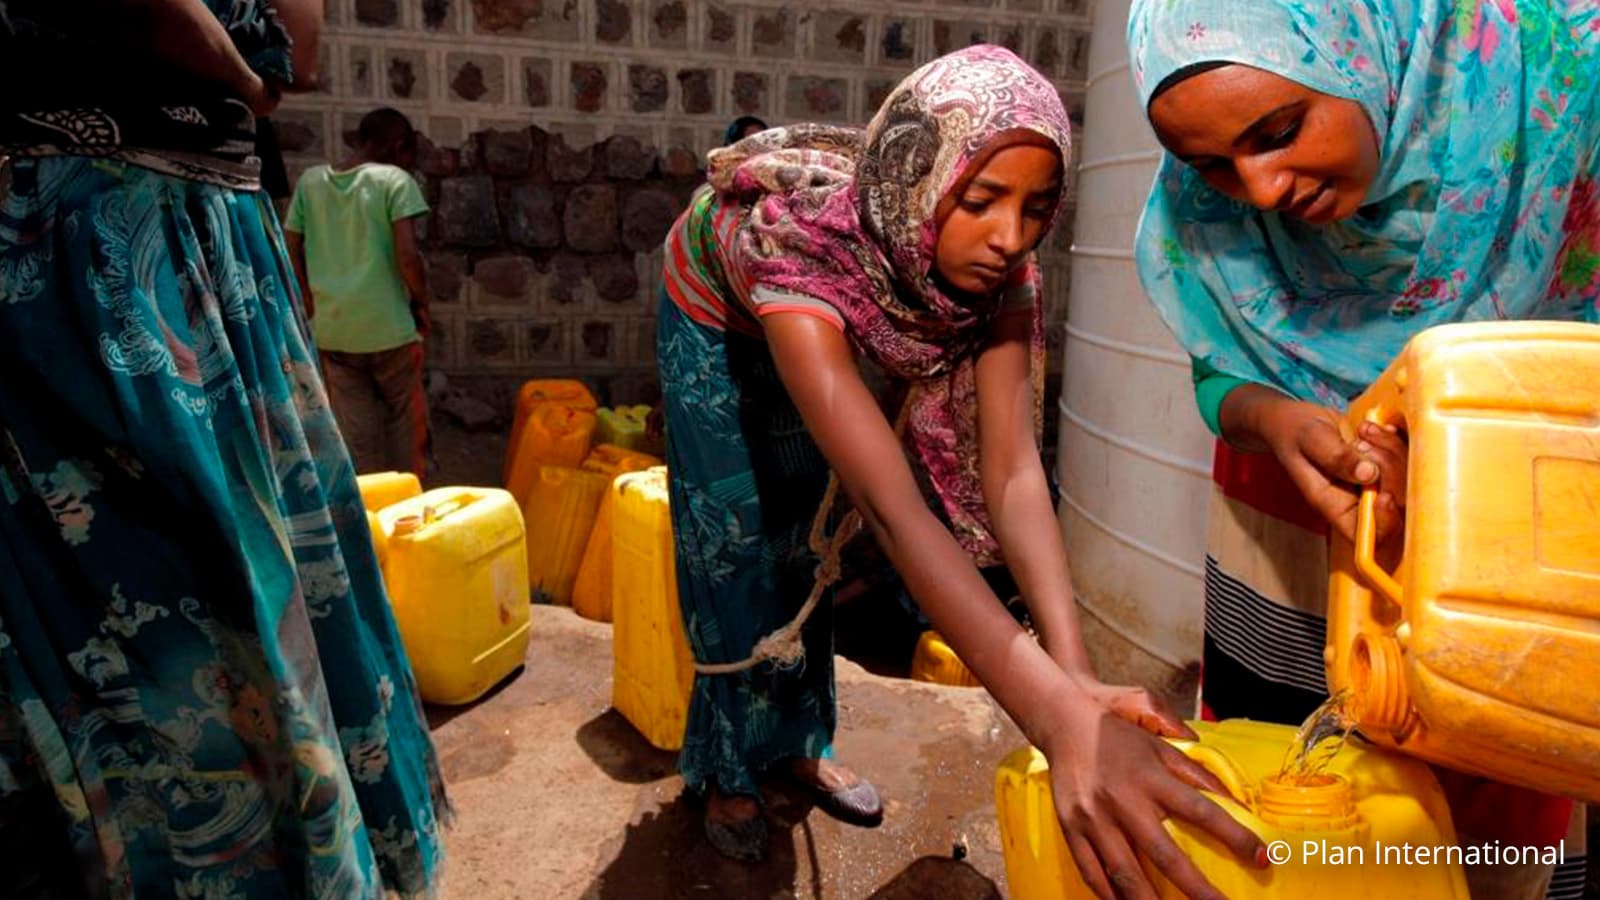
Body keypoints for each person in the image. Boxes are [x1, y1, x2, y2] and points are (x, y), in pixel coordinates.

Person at [658, 43, 1266, 888]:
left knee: (808, 543)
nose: (1009, 237)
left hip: (847, 303)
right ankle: (728, 772)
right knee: (735, 541)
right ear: (922, 187)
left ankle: (797, 748)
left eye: (1037, 208)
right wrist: (1057, 726)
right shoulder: (794, 253)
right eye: (980, 201)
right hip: (720, 318)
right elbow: (894, 512)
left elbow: (1014, 471)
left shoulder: (1003, 271)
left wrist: (1076, 681)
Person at [1127, 0, 1596, 896]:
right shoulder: (1222, 210)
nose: (1262, 192)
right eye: (1213, 168)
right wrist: (1273, 419)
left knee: (1487, 824)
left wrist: (1476, 439)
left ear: (1369, 49)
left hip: (1517, 536)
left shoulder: (1563, 93)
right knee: (1293, 813)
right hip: (1293, 518)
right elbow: (1217, 370)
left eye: (1278, 130)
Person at [0, 2, 447, 896]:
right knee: (255, 562)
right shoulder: (392, 187)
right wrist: (244, 82)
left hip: (129, 253)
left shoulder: (320, 186)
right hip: (162, 250)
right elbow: (290, 60)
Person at [286, 107, 431, 478]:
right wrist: (421, 301)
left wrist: (307, 299)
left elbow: (290, 246)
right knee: (403, 419)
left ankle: (370, 509)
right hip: (390, 329)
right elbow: (407, 257)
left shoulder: (311, 182)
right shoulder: (396, 182)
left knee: (356, 427)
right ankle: (409, 502)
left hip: (334, 331)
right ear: (399, 146)